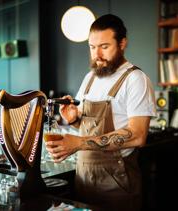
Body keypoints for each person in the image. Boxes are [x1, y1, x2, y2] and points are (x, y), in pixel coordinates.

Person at [45, 14, 156, 211]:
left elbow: (138, 135)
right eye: (92, 47)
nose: (97, 54)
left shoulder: (136, 79)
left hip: (117, 181)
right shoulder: (90, 78)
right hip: (84, 177)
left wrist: (78, 143)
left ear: (122, 44)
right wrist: (73, 120)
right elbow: (90, 126)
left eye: (104, 47)